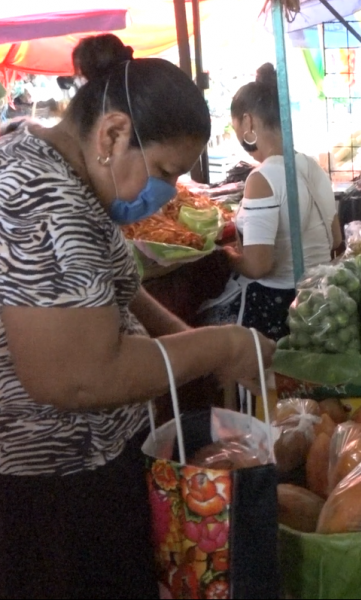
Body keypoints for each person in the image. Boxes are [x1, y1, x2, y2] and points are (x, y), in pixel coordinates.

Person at [0, 34, 276, 599]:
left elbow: (118, 291)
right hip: (52, 488)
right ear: (114, 133)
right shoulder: (41, 197)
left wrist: (188, 343)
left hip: (99, 463)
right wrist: (221, 346)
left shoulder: (62, 167)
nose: (167, 192)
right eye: (164, 171)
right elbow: (78, 377)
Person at [209, 63, 341, 341]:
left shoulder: (262, 178)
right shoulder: (313, 167)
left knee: (202, 321)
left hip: (278, 306)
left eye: (235, 128)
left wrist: (226, 255)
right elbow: (336, 239)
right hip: (321, 298)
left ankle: (239, 384)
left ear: (248, 122)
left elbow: (258, 267)